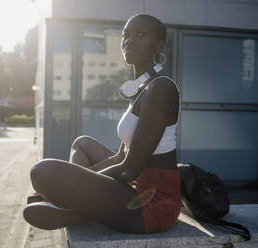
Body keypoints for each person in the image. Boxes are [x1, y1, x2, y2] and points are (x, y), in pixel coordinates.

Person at [23, 13, 181, 234]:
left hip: (152, 203)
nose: (130, 40)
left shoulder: (160, 89)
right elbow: (120, 157)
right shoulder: (143, 87)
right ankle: (80, 210)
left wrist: (67, 190)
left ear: (159, 46)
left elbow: (129, 169)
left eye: (140, 35)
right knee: (83, 143)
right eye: (126, 35)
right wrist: (75, 186)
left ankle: (75, 211)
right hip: (132, 186)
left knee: (42, 171)